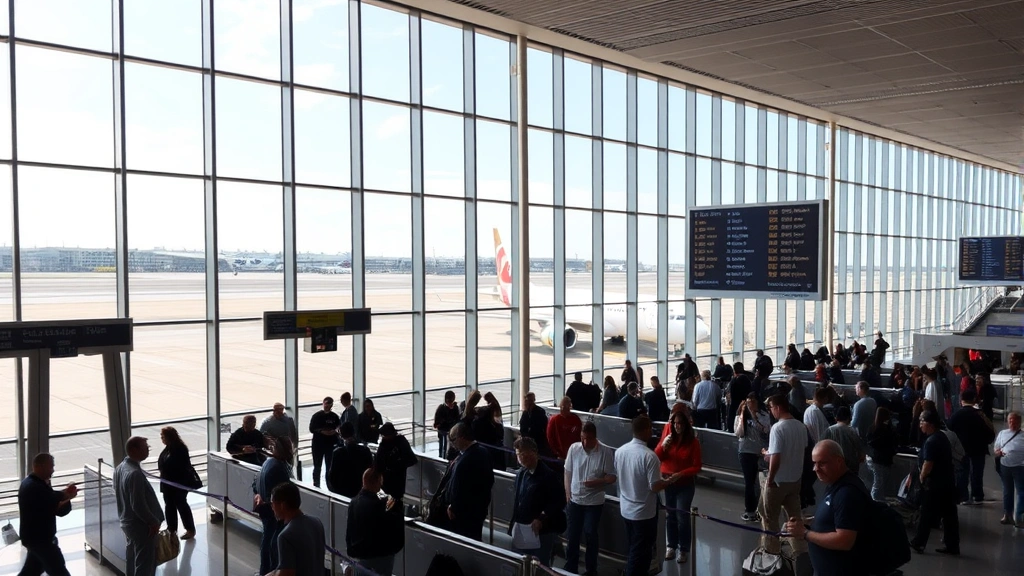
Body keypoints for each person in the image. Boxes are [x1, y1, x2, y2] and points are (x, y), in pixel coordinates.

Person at [784, 439, 869, 576]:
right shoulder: (835, 484)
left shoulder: (847, 493)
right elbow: (837, 518)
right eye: (814, 463)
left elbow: (844, 540)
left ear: (839, 461)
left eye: (822, 463)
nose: (815, 469)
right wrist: (812, 521)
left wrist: (805, 533)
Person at [615, 416, 683, 576]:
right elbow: (654, 486)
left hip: (626, 509)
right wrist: (669, 481)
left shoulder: (620, 452)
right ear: (646, 430)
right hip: (644, 513)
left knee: (633, 548)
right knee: (641, 555)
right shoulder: (649, 456)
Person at [563, 421, 616, 576]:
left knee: (590, 532)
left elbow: (612, 477)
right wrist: (567, 492)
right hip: (575, 500)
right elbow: (567, 471)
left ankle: (591, 569)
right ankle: (570, 566)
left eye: (589, 439)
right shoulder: (574, 449)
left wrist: (597, 482)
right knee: (572, 534)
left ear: (595, 437)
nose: (586, 442)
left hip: (594, 501)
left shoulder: (605, 451)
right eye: (583, 438)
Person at [758, 394, 808, 556]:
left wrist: (770, 479)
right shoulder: (801, 426)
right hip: (795, 480)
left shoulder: (778, 428)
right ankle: (800, 552)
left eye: (771, 408)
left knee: (770, 518)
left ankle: (772, 554)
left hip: (778, 482)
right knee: (794, 518)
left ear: (778, 407)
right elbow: (799, 450)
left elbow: (776, 458)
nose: (771, 411)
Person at [508, 437, 566, 567]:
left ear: (533, 452)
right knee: (518, 564)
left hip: (540, 532)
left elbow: (559, 502)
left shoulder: (548, 475)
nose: (520, 458)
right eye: (518, 454)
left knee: (538, 566)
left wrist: (541, 518)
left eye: (522, 454)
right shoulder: (522, 473)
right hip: (521, 528)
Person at [17, 452, 77, 576]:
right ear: (40, 466)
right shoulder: (33, 487)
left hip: (35, 539)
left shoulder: (33, 484)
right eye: (51, 467)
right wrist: (66, 494)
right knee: (59, 571)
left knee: (31, 571)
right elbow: (50, 500)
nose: (53, 470)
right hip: (40, 540)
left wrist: (66, 496)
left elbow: (52, 506)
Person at [910, 410, 960, 555]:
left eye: (921, 421)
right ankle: (952, 545)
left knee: (926, 514)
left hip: (935, 485)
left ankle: (919, 543)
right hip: (947, 482)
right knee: (950, 515)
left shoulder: (931, 441)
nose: (920, 425)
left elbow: (928, 463)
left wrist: (921, 477)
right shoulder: (941, 437)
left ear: (929, 423)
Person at [655, 411, 703, 564]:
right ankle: (671, 546)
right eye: (675, 423)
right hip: (668, 483)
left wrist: (681, 474)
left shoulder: (693, 442)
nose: (677, 426)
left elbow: (697, 466)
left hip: (685, 484)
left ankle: (683, 549)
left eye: (680, 423)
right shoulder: (669, 439)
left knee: (682, 516)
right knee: (670, 515)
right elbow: (657, 457)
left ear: (686, 425)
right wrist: (664, 446)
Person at [114, 436, 165, 576]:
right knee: (145, 564)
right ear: (133, 449)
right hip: (142, 527)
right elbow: (138, 504)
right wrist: (153, 521)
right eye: (145, 447)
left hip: (127, 523)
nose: (148, 450)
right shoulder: (134, 473)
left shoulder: (120, 468)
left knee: (132, 558)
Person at [347, 469, 405, 576]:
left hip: (360, 555)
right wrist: (397, 509)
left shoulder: (354, 502)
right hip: (378, 559)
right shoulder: (378, 506)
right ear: (377, 482)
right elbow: (393, 531)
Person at [445, 422, 495, 540]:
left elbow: (458, 488)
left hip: (463, 514)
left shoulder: (464, 460)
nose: (452, 444)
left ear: (462, 438)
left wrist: (453, 507)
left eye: (453, 439)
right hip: (479, 510)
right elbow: (490, 481)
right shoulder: (484, 452)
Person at [265, 481, 325, 576]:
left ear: (282, 505)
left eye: (272, 503)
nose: (271, 507)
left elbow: (287, 573)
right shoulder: (316, 522)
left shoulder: (285, 536)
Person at [254, 438, 294, 575]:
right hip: (273, 511)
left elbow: (255, 482)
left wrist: (258, 495)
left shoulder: (268, 462)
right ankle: (270, 570)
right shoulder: (279, 469)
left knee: (267, 539)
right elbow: (282, 492)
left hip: (266, 508)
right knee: (273, 543)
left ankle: (264, 570)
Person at [948, 388, 995, 505]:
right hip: (979, 449)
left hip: (961, 450)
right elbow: (990, 433)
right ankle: (977, 496)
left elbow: (949, 431)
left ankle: (963, 497)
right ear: (974, 400)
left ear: (961, 400)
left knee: (962, 473)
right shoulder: (980, 415)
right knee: (977, 473)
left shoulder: (956, 415)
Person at [157, 426, 196, 540]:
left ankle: (190, 529)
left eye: (163, 436)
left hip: (178, 484)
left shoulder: (180, 449)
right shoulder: (168, 448)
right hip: (167, 484)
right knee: (169, 507)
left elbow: (180, 467)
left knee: (182, 505)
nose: (161, 439)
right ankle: (172, 529)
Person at [735, 393, 770, 522]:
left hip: (761, 452)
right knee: (749, 482)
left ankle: (762, 509)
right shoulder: (740, 416)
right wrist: (743, 415)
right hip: (745, 451)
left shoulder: (764, 415)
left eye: (753, 402)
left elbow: (766, 430)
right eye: (748, 402)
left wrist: (755, 418)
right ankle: (750, 510)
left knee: (760, 482)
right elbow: (739, 433)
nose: (750, 405)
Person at [994, 411, 1024, 526]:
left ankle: (1019, 516)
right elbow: (996, 449)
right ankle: (1007, 514)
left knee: (1021, 491)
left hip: (1020, 467)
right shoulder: (1002, 433)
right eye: (1010, 420)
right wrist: (998, 453)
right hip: (1005, 465)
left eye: (1015, 421)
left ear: (1019, 422)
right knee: (1007, 491)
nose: (1012, 423)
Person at [328, 422, 373, 498]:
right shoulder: (365, 451)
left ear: (341, 436)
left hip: (343, 492)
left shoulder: (338, 453)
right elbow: (371, 471)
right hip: (361, 490)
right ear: (354, 433)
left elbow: (332, 477)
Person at [375, 422, 418, 501]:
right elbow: (378, 464)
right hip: (386, 483)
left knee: (396, 502)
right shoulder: (383, 445)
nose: (383, 437)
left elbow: (412, 459)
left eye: (385, 435)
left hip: (398, 481)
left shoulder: (401, 442)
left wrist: (397, 464)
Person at [308, 396, 340, 489]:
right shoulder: (317, 416)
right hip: (318, 445)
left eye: (329, 405)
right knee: (317, 466)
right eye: (326, 404)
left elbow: (339, 426)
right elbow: (311, 429)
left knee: (329, 466)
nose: (327, 406)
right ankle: (316, 483)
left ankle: (328, 483)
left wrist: (334, 431)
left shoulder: (334, 416)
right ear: (323, 404)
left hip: (329, 445)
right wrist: (322, 431)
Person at [866, 407, 897, 502]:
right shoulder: (886, 430)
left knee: (878, 482)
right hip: (883, 459)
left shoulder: (872, 428)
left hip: (874, 458)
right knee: (879, 483)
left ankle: (876, 500)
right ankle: (875, 502)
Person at [823, 406, 865, 475]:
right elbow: (861, 454)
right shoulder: (852, 431)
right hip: (850, 467)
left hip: (834, 465)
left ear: (836, 418)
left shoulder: (829, 430)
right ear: (849, 418)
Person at [547, 396, 583, 460]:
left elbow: (579, 436)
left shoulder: (575, 419)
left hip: (574, 454)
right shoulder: (554, 420)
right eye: (563, 407)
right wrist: (556, 452)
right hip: (560, 455)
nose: (564, 409)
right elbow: (550, 437)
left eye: (567, 407)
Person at [519, 391, 551, 456]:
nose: (529, 403)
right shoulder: (525, 413)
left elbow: (543, 427)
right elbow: (522, 427)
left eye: (531, 401)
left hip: (538, 441)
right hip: (528, 441)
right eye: (527, 400)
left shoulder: (540, 412)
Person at [432, 390, 461, 459]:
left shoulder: (443, 408)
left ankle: (443, 457)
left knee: (444, 445)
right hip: (446, 430)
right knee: (444, 444)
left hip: (446, 430)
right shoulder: (452, 408)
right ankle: (442, 457)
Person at [725, 362, 752, 433]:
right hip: (745, 405)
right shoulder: (748, 378)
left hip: (734, 406)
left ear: (734, 370)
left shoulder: (733, 380)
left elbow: (729, 394)